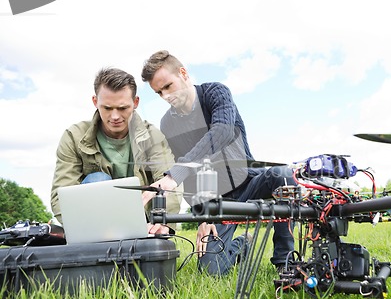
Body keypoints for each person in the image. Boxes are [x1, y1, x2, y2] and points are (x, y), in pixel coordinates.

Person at [141, 50, 295, 276]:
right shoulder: (168, 123)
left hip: (250, 182)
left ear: (183, 73)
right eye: (159, 92)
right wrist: (204, 214)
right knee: (211, 270)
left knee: (283, 174)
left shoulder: (216, 92)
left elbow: (221, 131)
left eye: (168, 86)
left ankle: (285, 261)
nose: (165, 96)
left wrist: (174, 175)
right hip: (219, 201)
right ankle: (244, 243)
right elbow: (192, 181)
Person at [50, 67, 182, 231]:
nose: (115, 117)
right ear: (95, 102)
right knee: (97, 180)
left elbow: (169, 184)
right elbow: (61, 196)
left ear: (135, 103)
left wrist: (163, 225)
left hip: (143, 220)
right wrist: (79, 227)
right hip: (95, 222)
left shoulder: (153, 136)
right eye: (107, 108)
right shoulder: (73, 136)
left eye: (122, 108)